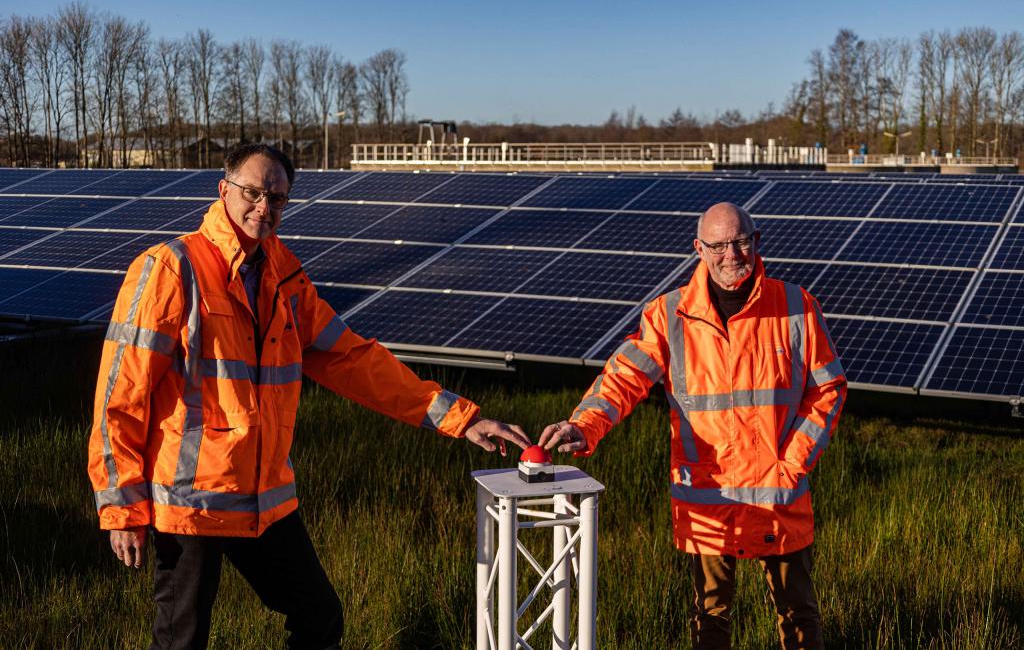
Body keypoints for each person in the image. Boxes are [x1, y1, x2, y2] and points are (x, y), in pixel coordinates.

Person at [87, 143, 531, 650]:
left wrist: (459, 418)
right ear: (223, 191)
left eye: (277, 199)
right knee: (181, 641)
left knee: (319, 617)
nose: (263, 208)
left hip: (263, 497)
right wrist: (121, 504)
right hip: (188, 502)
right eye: (252, 193)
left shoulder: (283, 277)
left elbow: (353, 359)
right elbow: (119, 395)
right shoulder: (171, 269)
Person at [540, 202, 845, 650]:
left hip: (779, 495)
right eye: (718, 245)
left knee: (799, 615)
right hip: (707, 500)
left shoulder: (796, 306)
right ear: (698, 249)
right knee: (710, 617)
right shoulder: (668, 315)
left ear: (757, 243)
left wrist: (792, 463)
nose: (731, 254)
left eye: (741, 241)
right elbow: (624, 378)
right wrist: (583, 425)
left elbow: (828, 390)